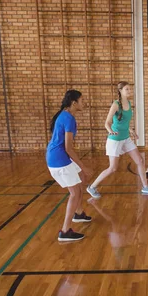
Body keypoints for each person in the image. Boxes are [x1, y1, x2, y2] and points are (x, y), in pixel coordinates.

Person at [86, 81, 148, 198]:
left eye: (130, 89)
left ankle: (145, 187)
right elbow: (107, 122)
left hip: (126, 138)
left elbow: (123, 122)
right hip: (114, 139)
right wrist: (110, 131)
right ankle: (92, 187)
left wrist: (130, 130)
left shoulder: (129, 103)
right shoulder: (115, 104)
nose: (129, 91)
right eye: (127, 89)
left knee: (139, 160)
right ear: (120, 91)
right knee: (113, 168)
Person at [46, 89, 93, 242]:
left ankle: (79, 213)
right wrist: (84, 166)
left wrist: (81, 169)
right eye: (82, 100)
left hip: (58, 157)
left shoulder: (64, 114)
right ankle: (65, 231)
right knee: (74, 193)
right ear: (74, 103)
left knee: (80, 180)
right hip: (59, 160)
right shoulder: (69, 119)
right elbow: (68, 148)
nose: (84, 103)